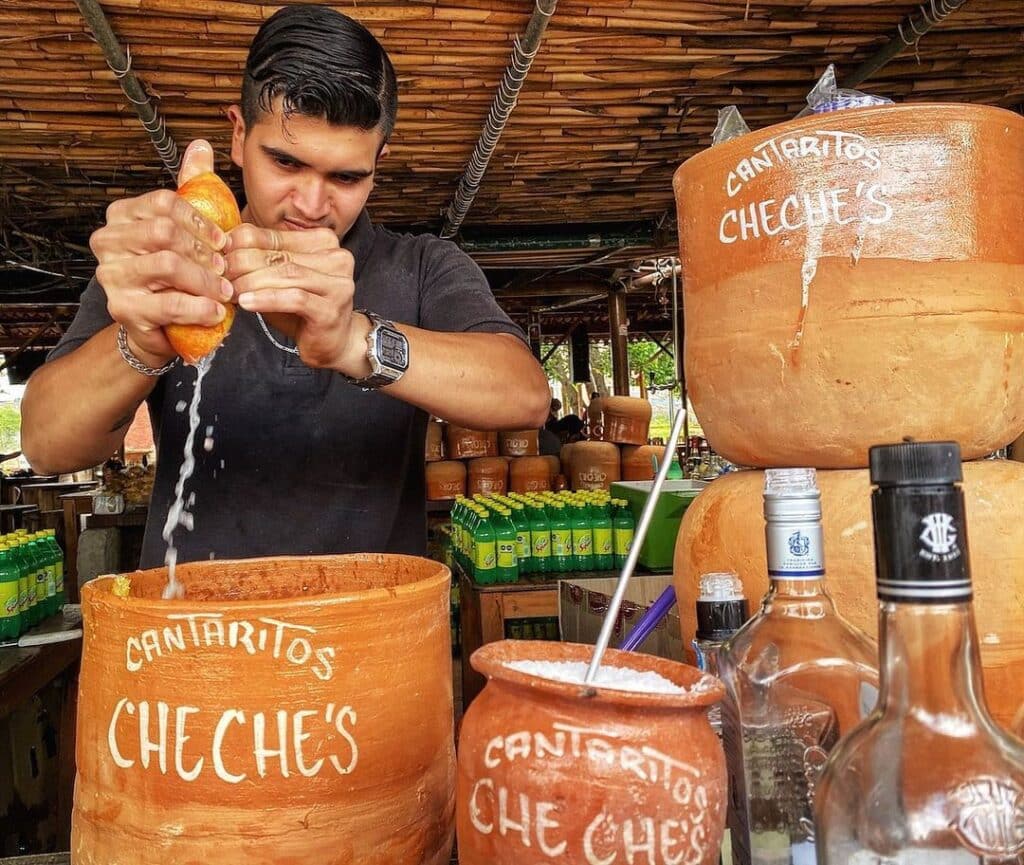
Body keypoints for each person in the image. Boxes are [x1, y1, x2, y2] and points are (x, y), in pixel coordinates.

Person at [20, 5, 549, 567]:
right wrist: (144, 340)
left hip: (368, 637)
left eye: (346, 176)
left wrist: (354, 343)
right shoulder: (170, 261)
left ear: (379, 163)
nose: (312, 204)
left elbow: (524, 393)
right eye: (285, 162)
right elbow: (48, 445)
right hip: (196, 640)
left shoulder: (421, 265)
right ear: (239, 136)